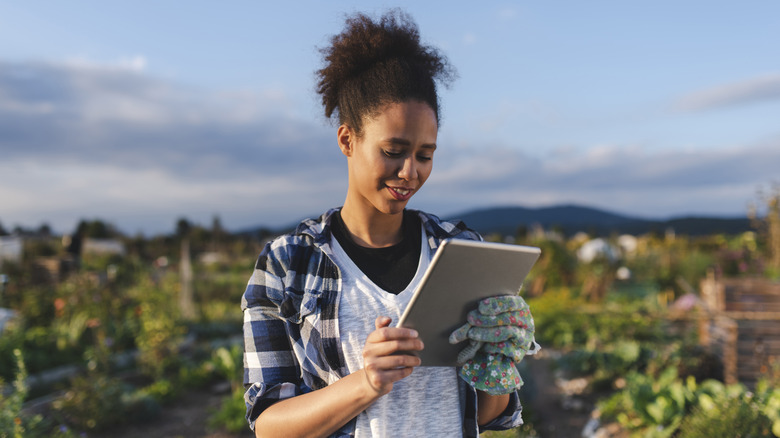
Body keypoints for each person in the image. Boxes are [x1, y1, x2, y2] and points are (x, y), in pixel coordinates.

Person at [242, 10, 536, 437]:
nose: (410, 172)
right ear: (347, 140)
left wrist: (498, 359)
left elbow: (490, 415)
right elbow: (269, 426)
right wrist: (367, 382)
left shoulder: (460, 250)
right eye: (394, 150)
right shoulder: (289, 263)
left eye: (425, 154)